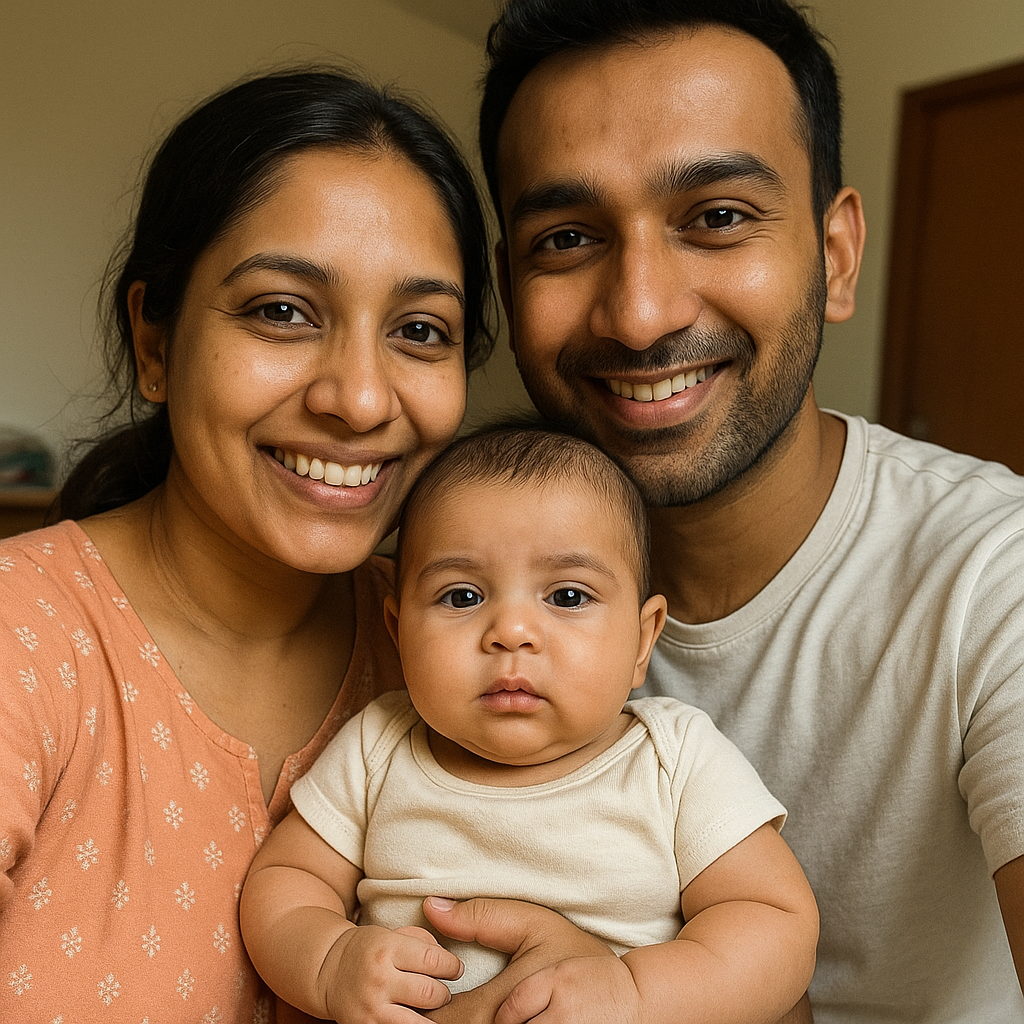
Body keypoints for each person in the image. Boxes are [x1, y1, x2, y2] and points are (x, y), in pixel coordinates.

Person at [433, 1, 1024, 1021]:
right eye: (567, 238)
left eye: (716, 217)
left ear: (834, 255)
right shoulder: (448, 604)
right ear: (507, 286)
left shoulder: (990, 576)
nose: (641, 310)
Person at [0, 68, 495, 1022]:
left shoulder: (464, 646)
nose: (358, 398)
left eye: (420, 330)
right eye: (283, 311)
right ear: (155, 341)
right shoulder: (25, 638)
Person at [240, 424, 818, 1024]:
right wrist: (332, 961)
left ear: (641, 643)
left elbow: (774, 917)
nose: (511, 631)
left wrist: (637, 994)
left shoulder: (674, 758)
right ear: (398, 631)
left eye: (567, 597)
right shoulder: (379, 745)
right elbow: (287, 879)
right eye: (461, 597)